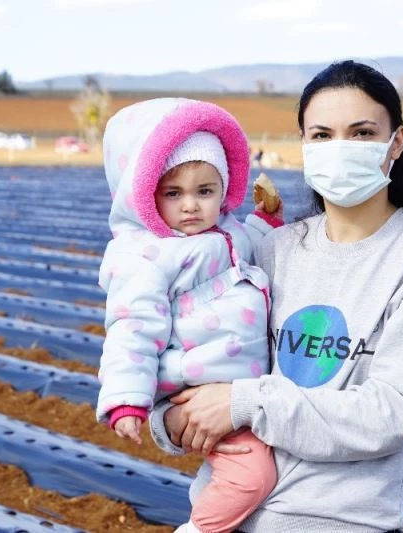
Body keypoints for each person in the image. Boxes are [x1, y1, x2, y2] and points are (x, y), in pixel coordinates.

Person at [149, 61, 403, 532]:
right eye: (323, 135)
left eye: (361, 133)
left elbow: (387, 415)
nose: (340, 149)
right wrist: (171, 416)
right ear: (305, 147)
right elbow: (210, 358)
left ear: (395, 143)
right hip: (228, 516)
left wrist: (243, 404)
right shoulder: (273, 249)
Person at [96, 98, 282, 533]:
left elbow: (241, 243)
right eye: (173, 193)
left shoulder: (225, 230)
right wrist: (127, 399)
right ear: (145, 195)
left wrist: (266, 222)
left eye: (205, 191)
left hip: (236, 382)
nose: (191, 206)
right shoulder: (147, 256)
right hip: (197, 385)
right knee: (252, 476)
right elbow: (132, 329)